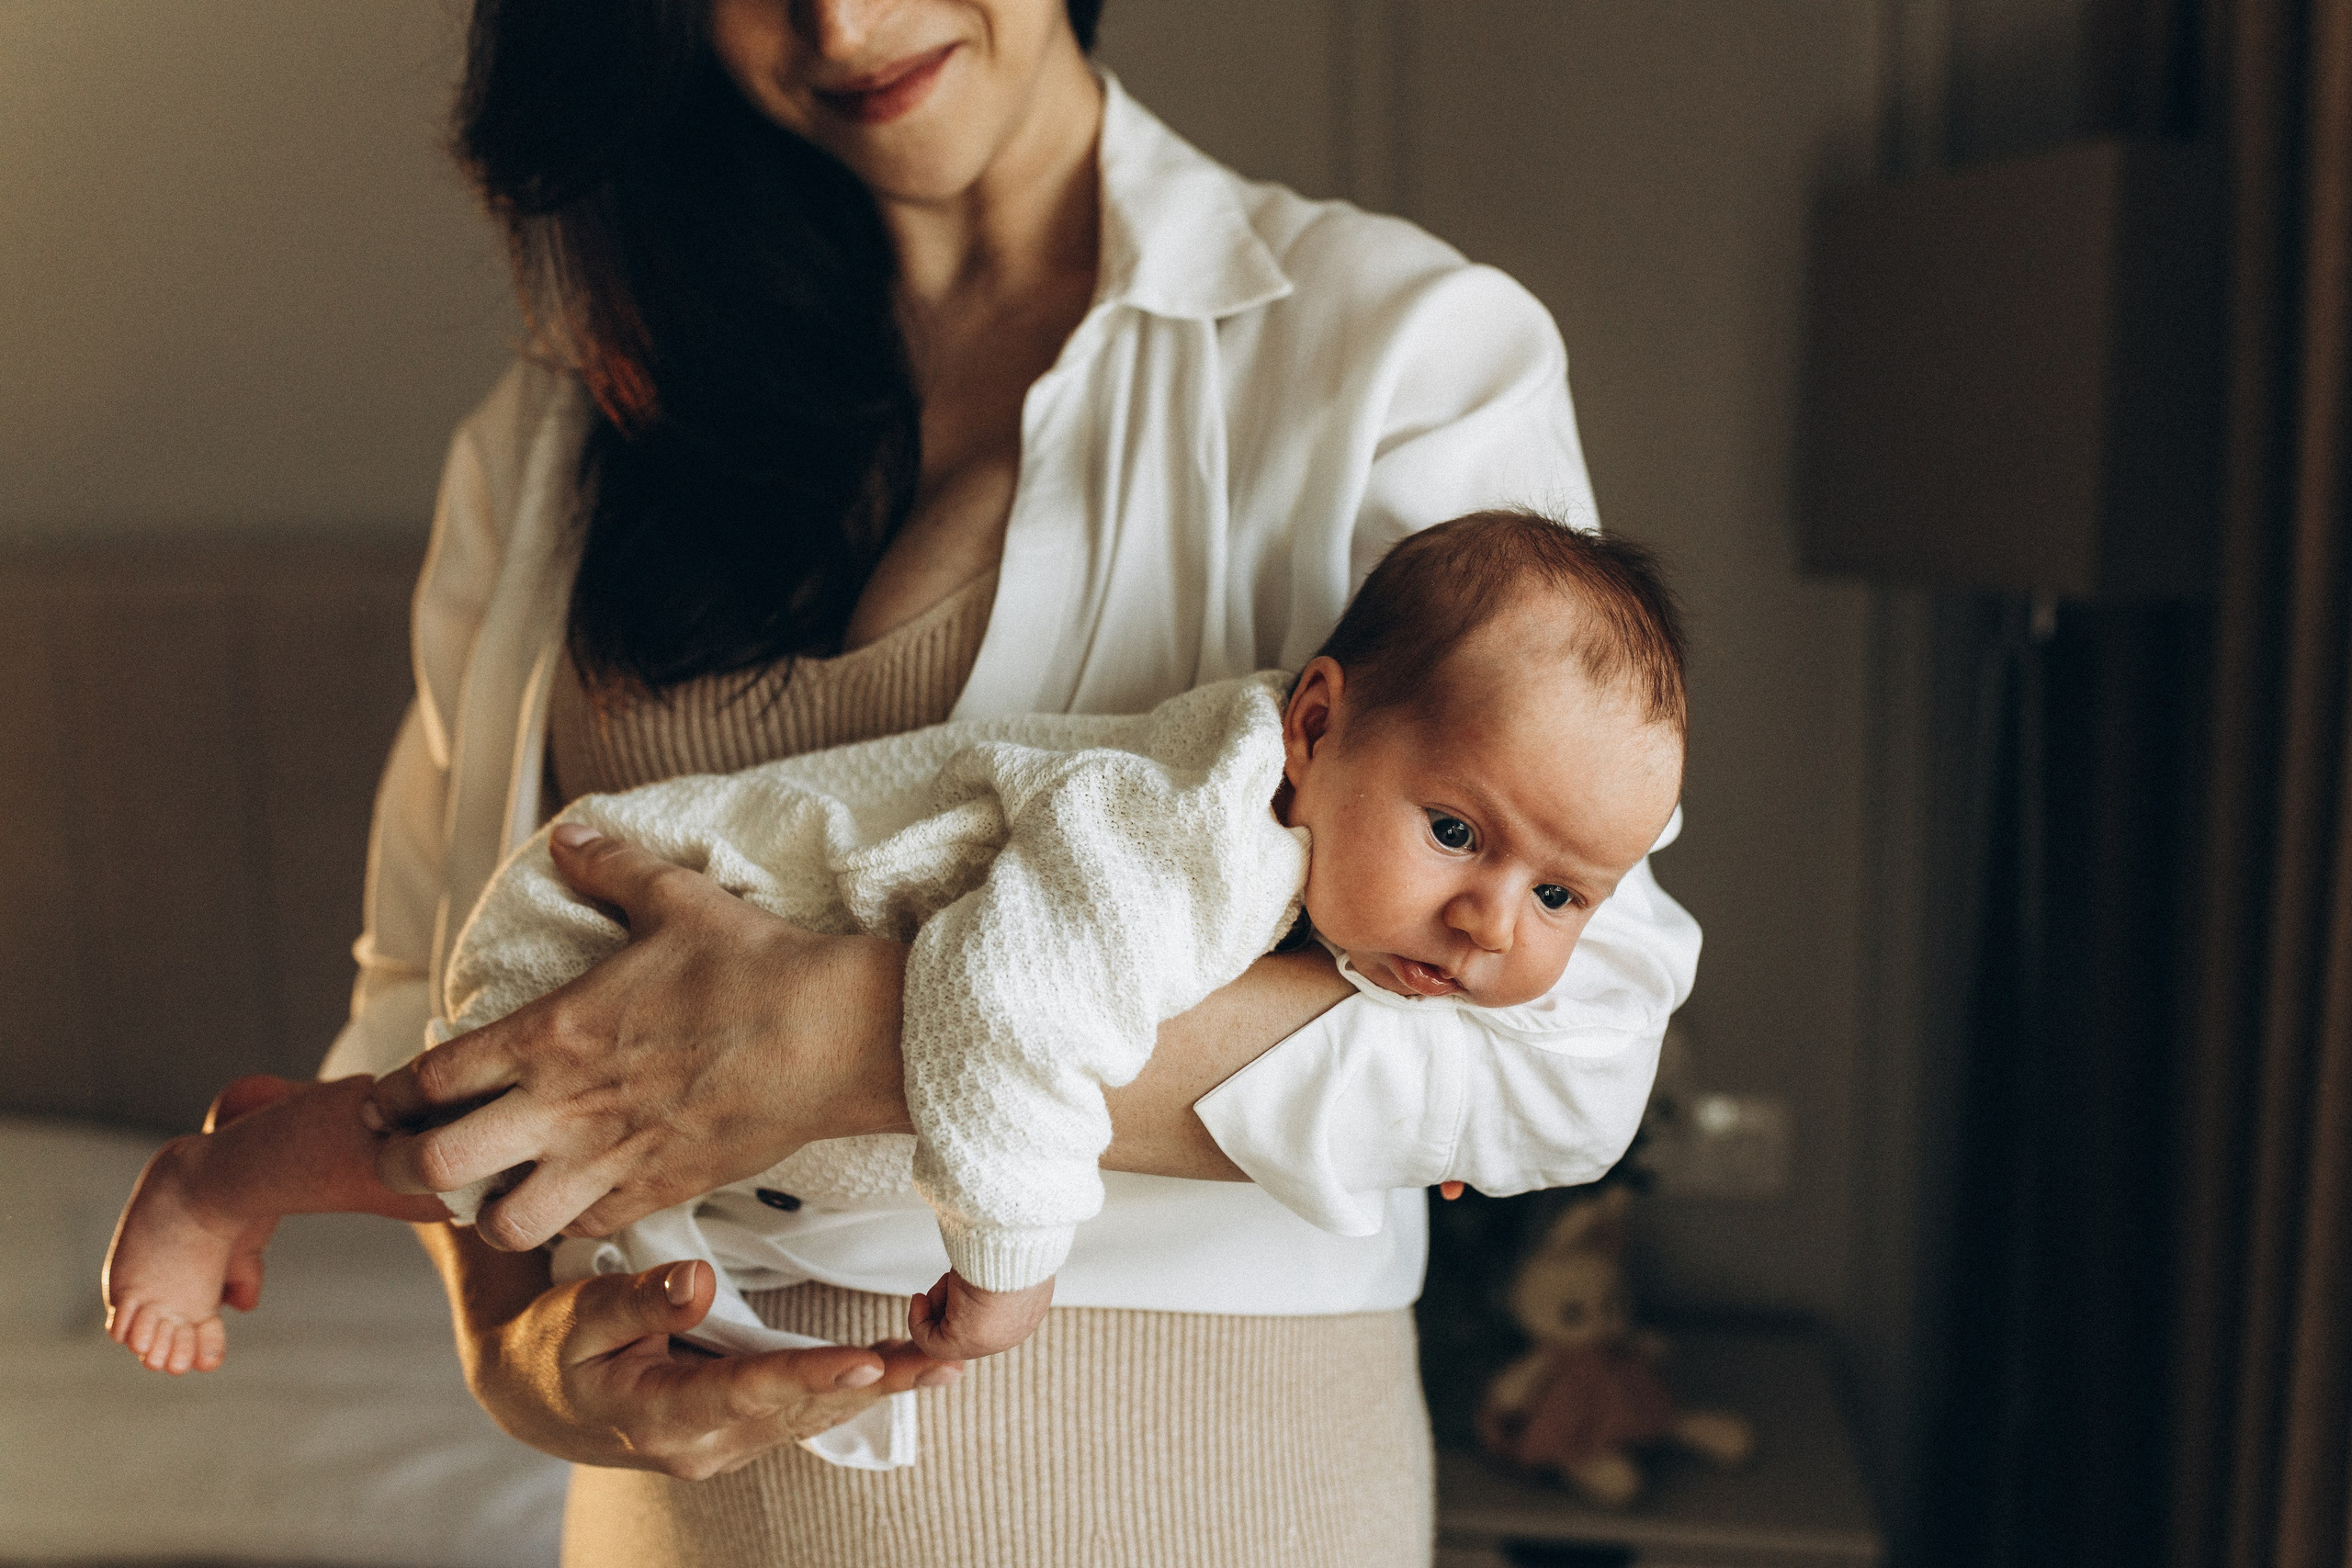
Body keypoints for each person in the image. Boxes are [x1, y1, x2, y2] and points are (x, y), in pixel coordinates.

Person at [307, 1, 1701, 1562]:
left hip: (1211, 1501)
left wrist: (840, 1036)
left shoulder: (1398, 351)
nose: (844, 18)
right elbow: (415, 1003)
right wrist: (521, 1366)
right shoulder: (563, 430)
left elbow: (1569, 1058)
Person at [104, 513, 1687, 1424]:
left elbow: (1565, 1071)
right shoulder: (1199, 840)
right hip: (624, 939)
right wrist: (1008, 1270)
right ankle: (218, 1180)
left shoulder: (1324, 858)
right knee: (456, 1150)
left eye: (1563, 892)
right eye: (1457, 831)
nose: (1492, 922)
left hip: (745, 1115)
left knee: (488, 1162)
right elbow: (1004, 1007)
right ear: (1319, 725)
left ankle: (286, 1138)